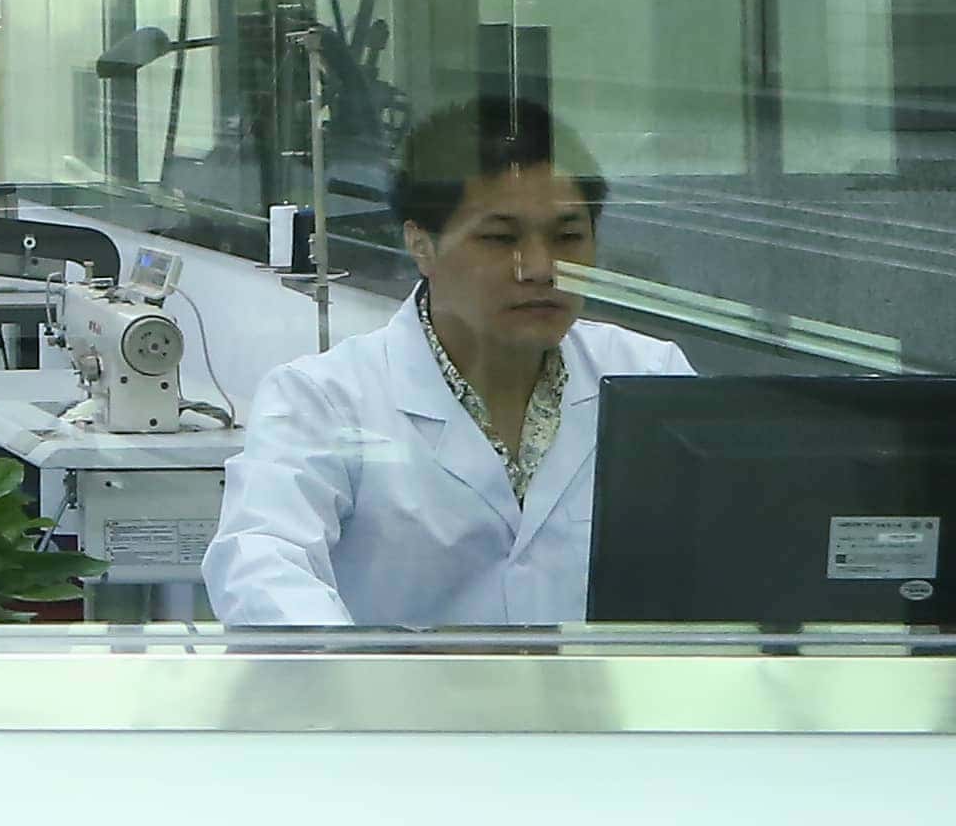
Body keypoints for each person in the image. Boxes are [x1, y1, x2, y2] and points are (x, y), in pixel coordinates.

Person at [201, 99, 694, 627]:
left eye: (568, 236)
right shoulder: (324, 399)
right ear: (422, 245)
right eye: (500, 238)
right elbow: (261, 562)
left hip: (608, 681)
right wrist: (351, 666)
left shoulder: (650, 376)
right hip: (395, 684)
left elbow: (722, 551)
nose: (540, 268)